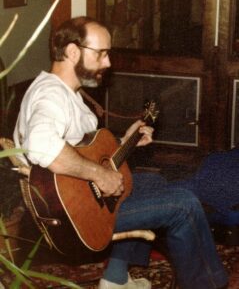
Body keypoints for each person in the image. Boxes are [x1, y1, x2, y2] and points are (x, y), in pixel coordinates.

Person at [13, 16, 228, 289]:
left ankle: (115, 278)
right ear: (72, 51)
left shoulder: (66, 92)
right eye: (101, 53)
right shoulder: (50, 96)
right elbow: (42, 144)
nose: (108, 63)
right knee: (184, 205)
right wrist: (99, 175)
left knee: (152, 182)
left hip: (80, 202)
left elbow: (82, 149)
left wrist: (124, 141)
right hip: (75, 219)